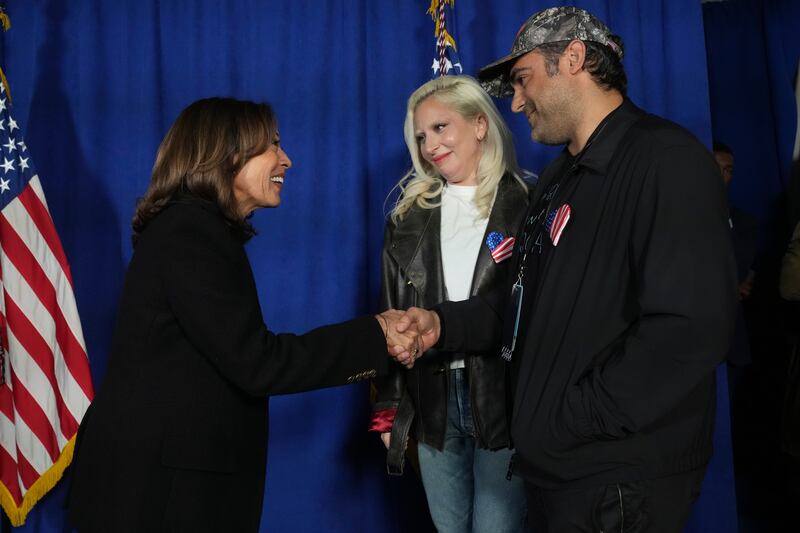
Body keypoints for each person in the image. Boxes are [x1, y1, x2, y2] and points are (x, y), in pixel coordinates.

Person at [391, 6, 737, 531]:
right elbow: (518, 302)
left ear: (573, 58)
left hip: (619, 479)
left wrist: (568, 421)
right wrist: (442, 324)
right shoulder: (558, 178)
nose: (517, 100)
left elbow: (690, 331)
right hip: (560, 473)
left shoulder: (666, 160)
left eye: (524, 79)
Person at [65, 97, 417, 532]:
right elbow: (257, 363)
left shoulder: (195, 230)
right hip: (157, 497)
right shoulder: (191, 233)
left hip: (166, 488)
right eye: (272, 144)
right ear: (227, 154)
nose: (286, 160)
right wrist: (376, 335)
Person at [370, 75, 529, 532]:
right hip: (431, 398)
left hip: (505, 400)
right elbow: (391, 316)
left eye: (441, 128)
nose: (430, 146)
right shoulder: (406, 218)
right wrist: (388, 408)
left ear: (480, 125)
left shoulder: (530, 203)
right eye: (421, 136)